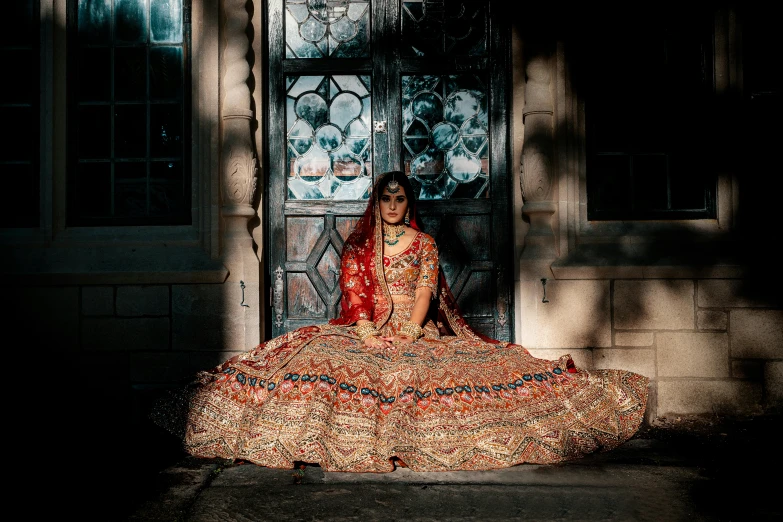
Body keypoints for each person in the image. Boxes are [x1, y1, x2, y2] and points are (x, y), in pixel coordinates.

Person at [155, 171, 649, 472]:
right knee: (319, 368)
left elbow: (425, 290)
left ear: (409, 203)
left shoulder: (426, 245)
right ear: (378, 201)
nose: (393, 205)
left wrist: (411, 330)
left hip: (416, 331)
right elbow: (352, 292)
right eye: (386, 198)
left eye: (401, 199)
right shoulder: (358, 247)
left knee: (447, 375)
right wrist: (368, 332)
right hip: (363, 331)